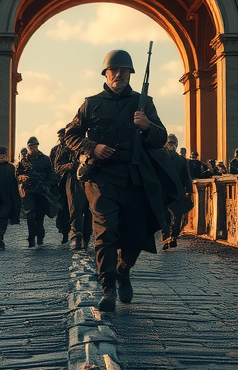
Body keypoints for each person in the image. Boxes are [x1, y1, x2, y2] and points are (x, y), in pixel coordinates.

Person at [65, 49, 170, 312]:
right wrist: (93, 148)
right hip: (102, 178)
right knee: (105, 233)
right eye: (115, 70)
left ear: (131, 74)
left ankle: (124, 270)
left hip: (135, 177)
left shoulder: (145, 103)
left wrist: (147, 127)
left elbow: (161, 137)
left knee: (136, 234)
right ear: (106, 73)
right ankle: (107, 286)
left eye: (125, 71)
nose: (120, 74)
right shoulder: (91, 103)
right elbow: (70, 135)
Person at [16, 136, 57, 247]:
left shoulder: (45, 159)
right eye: (30, 146)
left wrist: (47, 184)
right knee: (30, 215)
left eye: (34, 146)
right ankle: (31, 238)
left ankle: (39, 237)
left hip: (42, 190)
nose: (32, 148)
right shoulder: (23, 160)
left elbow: (52, 174)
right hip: (28, 190)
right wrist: (22, 177)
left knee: (40, 216)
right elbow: (17, 174)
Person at [161, 134, 192, 250]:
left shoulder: (182, 160)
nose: (170, 145)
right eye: (169, 143)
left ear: (176, 145)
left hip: (177, 191)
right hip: (163, 191)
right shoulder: (160, 158)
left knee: (177, 215)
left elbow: (186, 177)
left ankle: (173, 236)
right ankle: (165, 238)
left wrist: (189, 191)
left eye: (172, 143)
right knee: (165, 217)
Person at [50, 128, 73, 244]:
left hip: (74, 180)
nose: (61, 138)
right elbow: (53, 167)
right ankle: (64, 232)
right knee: (62, 208)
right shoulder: (55, 150)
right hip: (60, 182)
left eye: (63, 135)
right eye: (60, 136)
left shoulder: (74, 147)